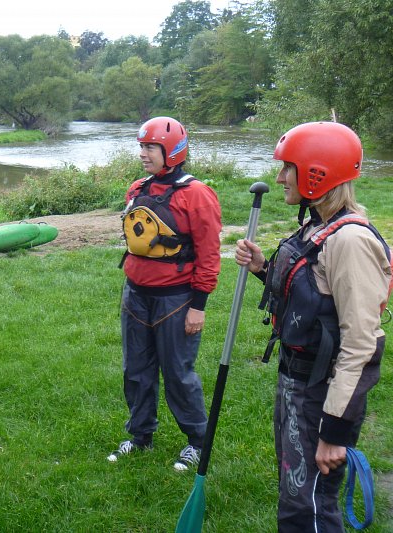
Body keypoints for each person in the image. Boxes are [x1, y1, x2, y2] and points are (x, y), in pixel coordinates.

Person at [235, 121, 391, 531]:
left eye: (288, 167)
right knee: (296, 497)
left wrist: (334, 432)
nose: (280, 177)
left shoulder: (350, 241)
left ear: (317, 171)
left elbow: (362, 343)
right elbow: (312, 297)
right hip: (296, 383)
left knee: (311, 508)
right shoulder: (319, 225)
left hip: (321, 395)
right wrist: (262, 268)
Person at [107, 116, 222, 471]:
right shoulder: (137, 189)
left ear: (172, 151)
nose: (143, 154)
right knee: (136, 371)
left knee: (177, 373)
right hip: (136, 295)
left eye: (150, 148)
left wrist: (198, 307)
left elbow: (209, 255)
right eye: (141, 147)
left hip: (176, 299)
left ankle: (198, 442)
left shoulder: (197, 195)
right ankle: (140, 436)